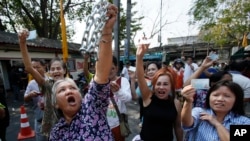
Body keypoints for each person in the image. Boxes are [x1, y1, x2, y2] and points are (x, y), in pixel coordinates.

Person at [49, 4, 117, 140]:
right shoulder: (56, 132)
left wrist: (107, 31)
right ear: (56, 103)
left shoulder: (91, 107)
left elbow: (101, 74)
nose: (69, 91)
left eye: (73, 88)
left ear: (80, 95)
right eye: (62, 90)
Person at [135, 42, 183, 141]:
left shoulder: (176, 103)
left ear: (171, 86)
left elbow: (178, 127)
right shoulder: (148, 97)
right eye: (158, 84)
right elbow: (140, 78)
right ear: (154, 85)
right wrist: (139, 57)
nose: (161, 87)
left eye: (165, 84)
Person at [181, 80, 250, 141]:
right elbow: (187, 123)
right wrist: (188, 101)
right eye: (215, 95)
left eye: (227, 96)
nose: (220, 99)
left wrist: (217, 124)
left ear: (236, 100)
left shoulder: (244, 122)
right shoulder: (200, 112)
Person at [107, 56, 132, 141]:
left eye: (112, 68)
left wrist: (118, 91)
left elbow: (128, 98)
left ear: (117, 68)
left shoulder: (123, 80)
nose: (109, 71)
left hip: (118, 124)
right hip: (102, 124)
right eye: (106, 68)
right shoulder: (99, 82)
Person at [23, 59, 48, 141]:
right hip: (39, 120)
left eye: (38, 67)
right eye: (33, 68)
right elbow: (25, 99)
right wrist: (30, 95)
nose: (35, 70)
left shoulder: (51, 80)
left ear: (44, 67)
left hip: (54, 121)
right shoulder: (31, 83)